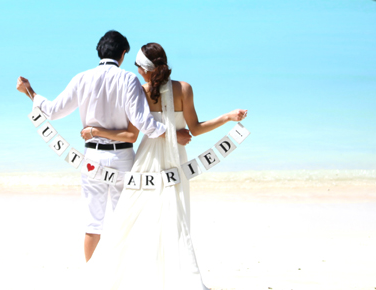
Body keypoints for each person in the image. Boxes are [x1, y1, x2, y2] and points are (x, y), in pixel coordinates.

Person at [81, 42, 247, 290]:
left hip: (147, 160)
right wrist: (226, 117)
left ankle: (130, 276)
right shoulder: (184, 89)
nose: (137, 72)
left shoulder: (140, 91)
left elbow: (134, 132)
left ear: (146, 69)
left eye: (138, 67)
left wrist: (96, 130)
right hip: (175, 158)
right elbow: (196, 129)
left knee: (133, 217)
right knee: (174, 216)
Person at [15, 30, 192, 262]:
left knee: (92, 225)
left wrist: (29, 91)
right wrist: (173, 135)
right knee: (123, 222)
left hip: (92, 158)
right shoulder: (129, 79)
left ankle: (91, 277)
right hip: (122, 158)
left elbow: (53, 111)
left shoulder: (81, 78)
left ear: (99, 51)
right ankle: (119, 277)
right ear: (123, 53)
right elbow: (143, 123)